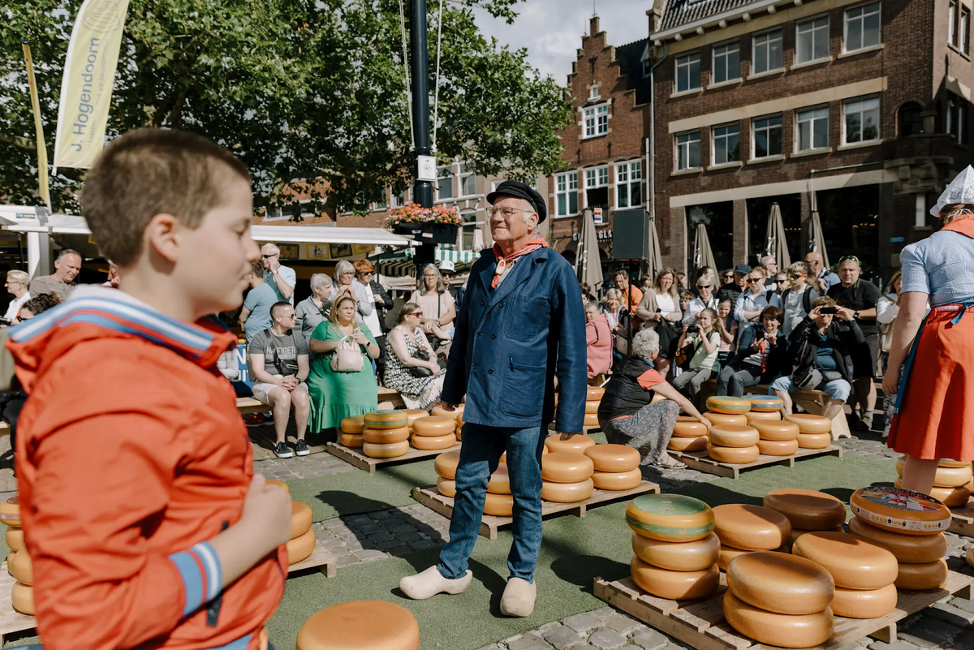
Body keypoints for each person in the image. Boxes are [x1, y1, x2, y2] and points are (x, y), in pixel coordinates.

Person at [5, 128, 289, 650]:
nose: (253, 251)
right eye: (239, 230)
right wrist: (252, 538)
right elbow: (88, 617)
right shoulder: (113, 383)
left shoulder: (166, 358)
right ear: (168, 237)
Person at [399, 180, 585, 618]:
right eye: (493, 211)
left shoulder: (553, 267)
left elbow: (572, 347)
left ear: (532, 219)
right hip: (482, 400)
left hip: (525, 402)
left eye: (507, 211)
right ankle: (452, 569)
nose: (497, 218)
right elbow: (464, 335)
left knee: (525, 492)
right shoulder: (483, 266)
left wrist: (570, 419)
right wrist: (451, 392)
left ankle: (521, 575)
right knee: (468, 486)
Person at [884, 170, 974, 493]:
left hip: (949, 338)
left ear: (946, 212)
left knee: (927, 436)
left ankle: (912, 517)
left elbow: (910, 314)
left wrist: (892, 369)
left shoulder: (923, 249)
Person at [597, 329, 712, 468]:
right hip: (622, 424)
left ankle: (628, 446)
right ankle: (661, 455)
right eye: (659, 347)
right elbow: (680, 400)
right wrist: (701, 417)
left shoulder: (624, 363)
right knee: (670, 405)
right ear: (653, 354)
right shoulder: (646, 372)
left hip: (605, 421)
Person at [772, 297, 861, 422]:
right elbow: (793, 339)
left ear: (833, 313)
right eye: (821, 311)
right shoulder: (807, 330)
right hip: (806, 377)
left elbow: (860, 341)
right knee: (778, 384)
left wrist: (850, 319)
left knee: (842, 389)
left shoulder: (841, 330)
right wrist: (808, 319)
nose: (824, 314)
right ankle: (789, 420)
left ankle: (820, 425)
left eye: (828, 310)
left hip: (833, 378)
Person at [307, 294, 380, 433]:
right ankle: (342, 432)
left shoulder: (361, 328)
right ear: (336, 310)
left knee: (366, 389)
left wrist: (365, 341)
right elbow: (314, 346)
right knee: (334, 388)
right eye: (345, 308)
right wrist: (337, 344)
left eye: (352, 308)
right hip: (330, 371)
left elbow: (376, 353)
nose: (349, 311)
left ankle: (362, 429)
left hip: (359, 371)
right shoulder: (325, 326)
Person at [249, 302, 311, 459]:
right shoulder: (260, 338)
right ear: (278, 318)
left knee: (302, 396)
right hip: (267, 382)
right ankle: (280, 442)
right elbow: (258, 371)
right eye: (291, 316)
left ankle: (301, 440)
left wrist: (296, 380)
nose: (295, 318)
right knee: (283, 396)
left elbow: (304, 369)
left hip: (292, 379)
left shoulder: (298, 337)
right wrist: (279, 383)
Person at [827, 256, 881, 431]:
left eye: (851, 270)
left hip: (866, 336)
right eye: (844, 269)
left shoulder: (867, 287)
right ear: (838, 271)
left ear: (858, 271)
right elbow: (828, 309)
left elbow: (879, 310)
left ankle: (868, 415)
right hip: (842, 337)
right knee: (847, 376)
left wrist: (854, 314)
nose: (847, 273)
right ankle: (854, 412)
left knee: (865, 376)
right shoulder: (833, 290)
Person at [383, 302, 447, 410]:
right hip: (399, 377)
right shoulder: (396, 333)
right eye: (417, 314)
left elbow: (431, 352)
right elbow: (406, 360)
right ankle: (427, 411)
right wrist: (430, 365)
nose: (421, 317)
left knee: (449, 375)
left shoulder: (418, 331)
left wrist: (433, 361)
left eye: (421, 313)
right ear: (406, 317)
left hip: (417, 374)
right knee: (437, 382)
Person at [717, 306, 787, 396]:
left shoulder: (781, 339)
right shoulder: (752, 329)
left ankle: (736, 408)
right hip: (740, 363)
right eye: (766, 319)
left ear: (779, 322)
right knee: (723, 377)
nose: (768, 322)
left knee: (736, 378)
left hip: (759, 369)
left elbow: (777, 364)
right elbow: (741, 350)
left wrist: (773, 345)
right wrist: (753, 349)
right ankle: (720, 407)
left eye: (772, 319)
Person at [635, 268, 683, 378]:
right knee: (661, 364)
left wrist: (672, 316)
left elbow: (679, 314)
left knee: (666, 365)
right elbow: (639, 310)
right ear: (660, 279)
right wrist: (653, 315)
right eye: (665, 278)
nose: (667, 281)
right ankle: (657, 391)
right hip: (654, 332)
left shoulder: (674, 295)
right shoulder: (651, 293)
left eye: (670, 279)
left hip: (670, 333)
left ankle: (659, 391)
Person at [877, 271, 904, 438]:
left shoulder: (921, 299)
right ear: (894, 284)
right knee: (890, 390)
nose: (903, 285)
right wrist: (899, 303)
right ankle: (889, 426)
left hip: (914, 350)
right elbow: (883, 318)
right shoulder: (886, 300)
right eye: (900, 282)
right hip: (892, 350)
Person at [672, 308, 720, 402]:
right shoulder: (696, 334)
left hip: (708, 368)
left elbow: (710, 350)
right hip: (694, 367)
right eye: (700, 318)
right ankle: (688, 401)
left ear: (713, 320)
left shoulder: (715, 335)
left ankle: (697, 408)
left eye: (705, 319)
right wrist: (684, 334)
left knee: (695, 381)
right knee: (676, 382)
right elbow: (681, 345)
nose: (702, 321)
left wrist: (703, 335)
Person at [410, 264, 457, 339]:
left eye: (433, 275)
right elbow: (410, 314)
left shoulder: (445, 294)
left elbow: (452, 314)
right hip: (421, 338)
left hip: (442, 339)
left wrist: (436, 322)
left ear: (438, 278)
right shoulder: (417, 294)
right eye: (427, 275)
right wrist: (427, 321)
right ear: (424, 278)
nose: (430, 278)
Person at [239, 260, 278, 344]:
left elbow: (243, 317)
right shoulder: (268, 289)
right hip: (264, 333)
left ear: (252, 275)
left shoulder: (255, 292)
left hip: (255, 336)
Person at [332, 260, 376, 327]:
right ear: (338, 274)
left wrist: (355, 297)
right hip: (337, 327)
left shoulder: (359, 287)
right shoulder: (331, 287)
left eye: (351, 273)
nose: (349, 276)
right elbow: (328, 309)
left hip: (357, 326)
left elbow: (368, 311)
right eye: (346, 273)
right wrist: (339, 294)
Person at [780, 261, 819, 335]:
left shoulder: (810, 293)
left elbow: (816, 316)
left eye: (795, 276)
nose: (791, 279)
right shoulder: (785, 293)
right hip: (786, 335)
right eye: (789, 276)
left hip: (803, 336)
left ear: (804, 277)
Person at [294, 273, 333, 342]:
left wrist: (333, 319)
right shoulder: (303, 306)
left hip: (328, 347)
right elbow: (296, 330)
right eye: (327, 287)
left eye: (330, 287)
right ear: (317, 289)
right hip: (308, 348)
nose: (330, 291)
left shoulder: (333, 305)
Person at [354, 258, 388, 337]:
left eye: (371, 272)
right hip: (362, 331)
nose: (369, 275)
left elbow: (391, 304)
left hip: (379, 331)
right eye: (366, 273)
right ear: (358, 274)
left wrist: (382, 301)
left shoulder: (376, 286)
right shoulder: (353, 288)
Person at [584, 302, 612, 382]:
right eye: (586, 313)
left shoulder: (593, 326)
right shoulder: (603, 322)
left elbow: (577, 344)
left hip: (592, 367)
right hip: (603, 364)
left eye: (590, 313)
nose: (588, 315)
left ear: (598, 312)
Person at [715, 298, 738, 367]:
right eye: (721, 308)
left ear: (730, 309)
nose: (723, 311)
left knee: (725, 375)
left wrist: (722, 327)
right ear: (717, 307)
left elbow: (730, 339)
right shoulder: (714, 319)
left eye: (726, 309)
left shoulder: (732, 321)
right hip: (715, 350)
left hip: (728, 351)